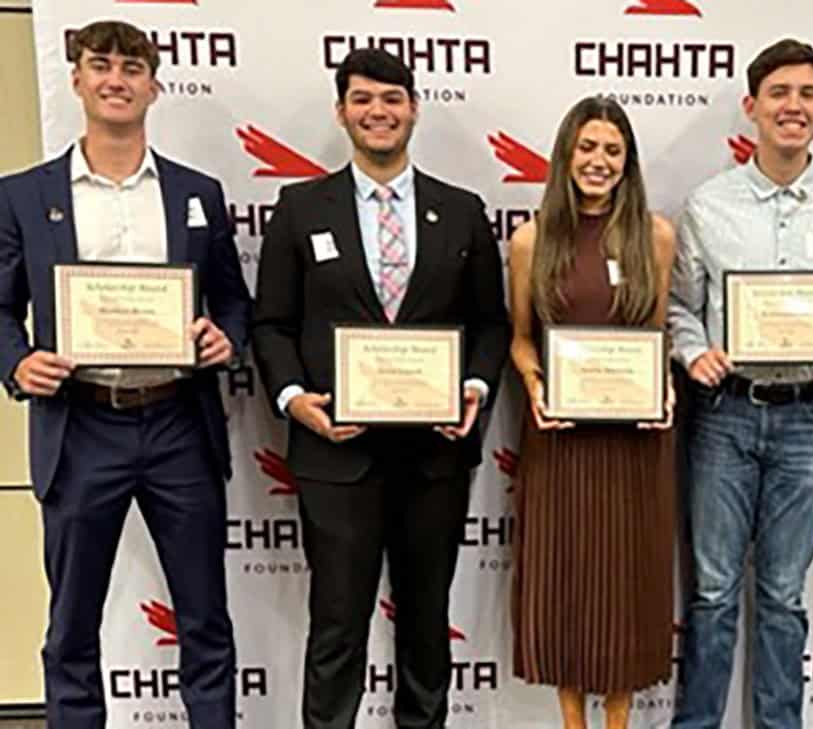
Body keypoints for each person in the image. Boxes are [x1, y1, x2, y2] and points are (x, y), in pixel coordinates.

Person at [0, 20, 250, 729]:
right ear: (76, 78)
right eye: (101, 65)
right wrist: (17, 361)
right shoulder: (22, 195)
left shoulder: (196, 193)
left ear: (154, 85)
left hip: (178, 422)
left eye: (132, 67)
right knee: (72, 625)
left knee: (205, 616)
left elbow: (232, 297)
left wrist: (223, 335)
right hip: (80, 426)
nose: (117, 78)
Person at [251, 48, 508, 729]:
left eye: (392, 99)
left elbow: (490, 325)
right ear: (342, 112)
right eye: (363, 99)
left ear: (414, 108)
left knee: (426, 624)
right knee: (337, 624)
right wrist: (294, 402)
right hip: (335, 455)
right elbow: (270, 324)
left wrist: (477, 389)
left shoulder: (462, 211)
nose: (378, 112)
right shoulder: (301, 208)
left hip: (434, 456)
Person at [667, 39, 813, 729]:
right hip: (724, 413)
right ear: (751, 106)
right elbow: (680, 308)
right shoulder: (709, 203)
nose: (794, 106)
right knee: (712, 590)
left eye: (808, 94)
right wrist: (693, 351)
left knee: (785, 594)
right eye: (780, 93)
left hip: (810, 414)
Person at [506, 95, 677, 729]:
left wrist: (663, 389)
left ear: (627, 160)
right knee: (567, 581)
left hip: (635, 441)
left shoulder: (655, 236)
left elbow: (657, 337)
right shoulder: (531, 240)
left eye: (612, 150)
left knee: (628, 584)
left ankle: (620, 721)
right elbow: (520, 338)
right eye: (587, 148)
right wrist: (534, 384)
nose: (598, 161)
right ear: (566, 155)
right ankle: (572, 722)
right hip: (559, 438)